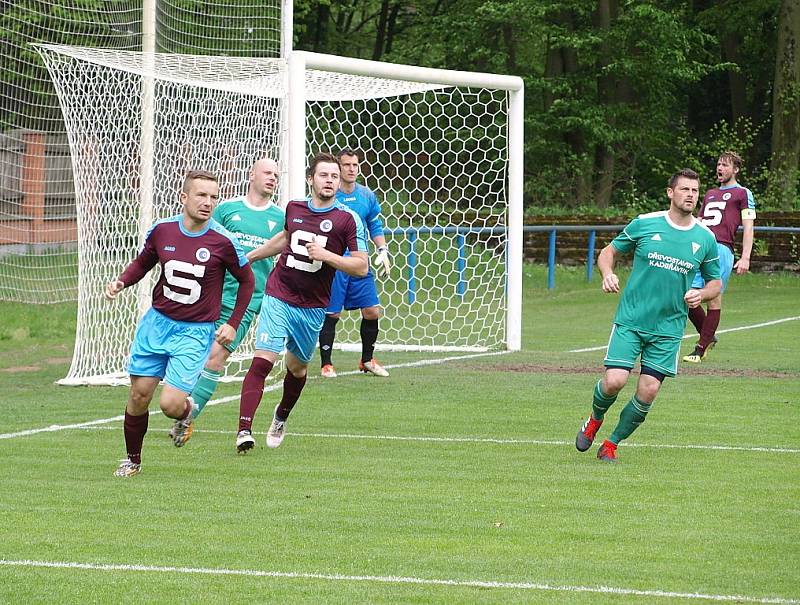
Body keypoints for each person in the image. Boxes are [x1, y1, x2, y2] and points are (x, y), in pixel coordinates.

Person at [105, 170, 254, 476]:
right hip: (157, 324)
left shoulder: (223, 240)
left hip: (195, 332)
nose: (208, 202)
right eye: (201, 195)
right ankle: (133, 460)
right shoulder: (162, 230)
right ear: (184, 197)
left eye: (214, 197)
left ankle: (185, 416)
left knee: (170, 404)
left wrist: (233, 323)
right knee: (139, 395)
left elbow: (247, 281)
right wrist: (122, 281)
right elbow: (144, 262)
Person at [575, 169, 722, 463]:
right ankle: (595, 418)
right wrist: (607, 274)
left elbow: (715, 283)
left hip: (668, 328)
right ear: (670, 192)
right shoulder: (645, 223)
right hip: (631, 320)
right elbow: (608, 252)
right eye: (685, 189)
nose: (691, 195)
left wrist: (702, 294)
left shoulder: (705, 238)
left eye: (695, 191)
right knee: (615, 381)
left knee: (649, 390)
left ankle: (611, 443)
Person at [233, 152, 369, 453]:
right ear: (311, 179)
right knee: (263, 360)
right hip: (278, 294)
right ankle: (244, 429)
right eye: (324, 175)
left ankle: (281, 415)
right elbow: (285, 237)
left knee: (297, 369)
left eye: (334, 176)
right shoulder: (294, 208)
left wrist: (328, 256)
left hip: (311, 307)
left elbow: (361, 266)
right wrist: (250, 257)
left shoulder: (347, 220)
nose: (330, 181)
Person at [169, 158, 285, 447]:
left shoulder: (280, 217)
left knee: (216, 356)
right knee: (192, 354)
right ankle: (179, 404)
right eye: (267, 173)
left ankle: (188, 416)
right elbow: (204, 239)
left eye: (276, 175)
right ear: (252, 176)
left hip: (247, 299)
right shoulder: (227, 209)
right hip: (211, 293)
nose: (272, 178)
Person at [317, 148, 391, 378]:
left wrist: (383, 249)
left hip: (360, 261)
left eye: (355, 165)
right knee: (332, 313)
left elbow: (374, 225)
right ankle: (326, 363)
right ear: (338, 168)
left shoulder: (367, 195)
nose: (351, 169)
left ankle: (367, 360)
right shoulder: (329, 195)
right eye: (346, 165)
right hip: (336, 263)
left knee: (371, 311)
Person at [682, 151, 756, 363]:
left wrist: (745, 257)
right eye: (718, 164)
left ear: (736, 169)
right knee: (687, 297)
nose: (720, 168)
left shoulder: (743, 193)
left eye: (725, 165)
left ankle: (700, 347)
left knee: (712, 297)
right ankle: (709, 337)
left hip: (722, 249)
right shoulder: (709, 194)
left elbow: (749, 226)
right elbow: (698, 222)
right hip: (701, 248)